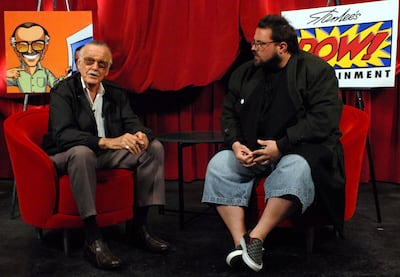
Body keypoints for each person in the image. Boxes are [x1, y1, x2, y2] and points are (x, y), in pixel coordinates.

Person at [201, 14, 345, 272]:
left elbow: (324, 119)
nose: (252, 48)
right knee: (219, 165)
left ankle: (257, 238)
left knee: (296, 169)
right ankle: (240, 242)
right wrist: (234, 144)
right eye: (253, 43)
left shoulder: (316, 70)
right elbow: (229, 114)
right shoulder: (245, 73)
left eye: (259, 44)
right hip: (253, 151)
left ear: (282, 47)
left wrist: (281, 145)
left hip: (298, 150)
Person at [42, 40, 170, 270]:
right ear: (78, 63)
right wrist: (106, 141)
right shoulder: (63, 91)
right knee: (82, 154)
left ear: (108, 69)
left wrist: (141, 135)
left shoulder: (115, 94)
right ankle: (93, 239)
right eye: (89, 61)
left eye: (102, 64)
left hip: (103, 154)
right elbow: (63, 135)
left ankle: (139, 227)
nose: (95, 67)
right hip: (67, 155)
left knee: (153, 148)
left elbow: (134, 123)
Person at [7, 22, 65, 92]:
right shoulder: (16, 73)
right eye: (22, 45)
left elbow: (56, 85)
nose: (30, 51)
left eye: (37, 44)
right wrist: (5, 73)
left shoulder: (45, 72)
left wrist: (68, 76)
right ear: (15, 49)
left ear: (45, 48)